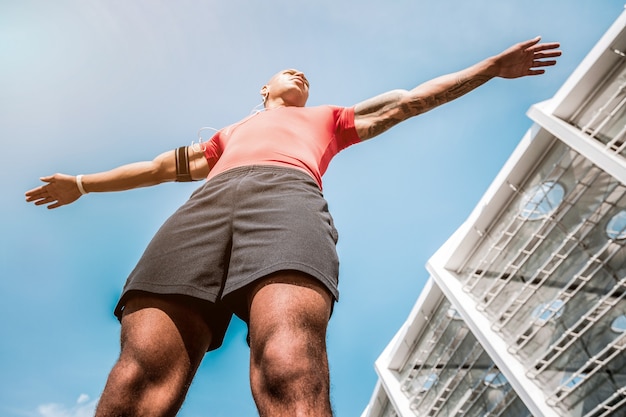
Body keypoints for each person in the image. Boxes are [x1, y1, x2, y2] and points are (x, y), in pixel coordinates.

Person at [25, 37, 560, 417]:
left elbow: (406, 102)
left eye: (306, 74)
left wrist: (490, 67)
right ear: (264, 88)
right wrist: (82, 182)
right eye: (288, 71)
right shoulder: (226, 135)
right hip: (203, 211)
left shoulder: (327, 117)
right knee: (140, 376)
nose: (301, 75)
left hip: (286, 201)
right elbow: (158, 168)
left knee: (289, 362)